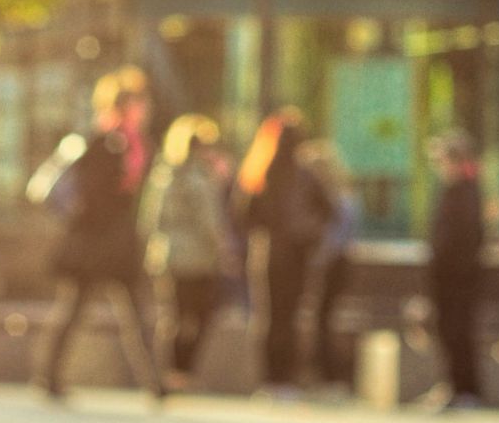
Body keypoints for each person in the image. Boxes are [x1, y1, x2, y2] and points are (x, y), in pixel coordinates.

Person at [32, 67, 165, 403]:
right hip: (96, 245)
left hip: (117, 244)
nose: (144, 109)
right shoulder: (104, 143)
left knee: (135, 313)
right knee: (77, 310)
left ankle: (156, 382)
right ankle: (48, 376)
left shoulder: (134, 144)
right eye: (139, 102)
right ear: (127, 106)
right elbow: (93, 196)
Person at [236, 110, 333, 396]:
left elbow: (243, 216)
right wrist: (307, 232)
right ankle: (284, 379)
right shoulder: (303, 174)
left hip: (270, 253)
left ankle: (271, 379)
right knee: (288, 316)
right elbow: (329, 211)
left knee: (271, 316)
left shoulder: (261, 171)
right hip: (295, 254)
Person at [141, 113, 235, 391]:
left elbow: (149, 220)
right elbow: (211, 222)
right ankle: (182, 373)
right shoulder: (198, 177)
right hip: (198, 258)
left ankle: (170, 373)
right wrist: (225, 250)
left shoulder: (162, 174)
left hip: (166, 256)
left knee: (175, 315)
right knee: (200, 315)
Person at [428, 134, 484, 410]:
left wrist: (451, 268)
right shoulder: (455, 191)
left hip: (458, 277)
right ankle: (454, 386)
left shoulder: (465, 192)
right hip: (449, 275)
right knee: (448, 330)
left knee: (457, 330)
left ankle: (464, 389)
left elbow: (463, 239)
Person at [301, 140, 359, 390]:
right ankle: (323, 374)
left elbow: (338, 237)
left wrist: (316, 261)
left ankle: (330, 375)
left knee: (325, 318)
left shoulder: (339, 199)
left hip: (332, 264)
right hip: (333, 262)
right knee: (321, 318)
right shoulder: (341, 197)